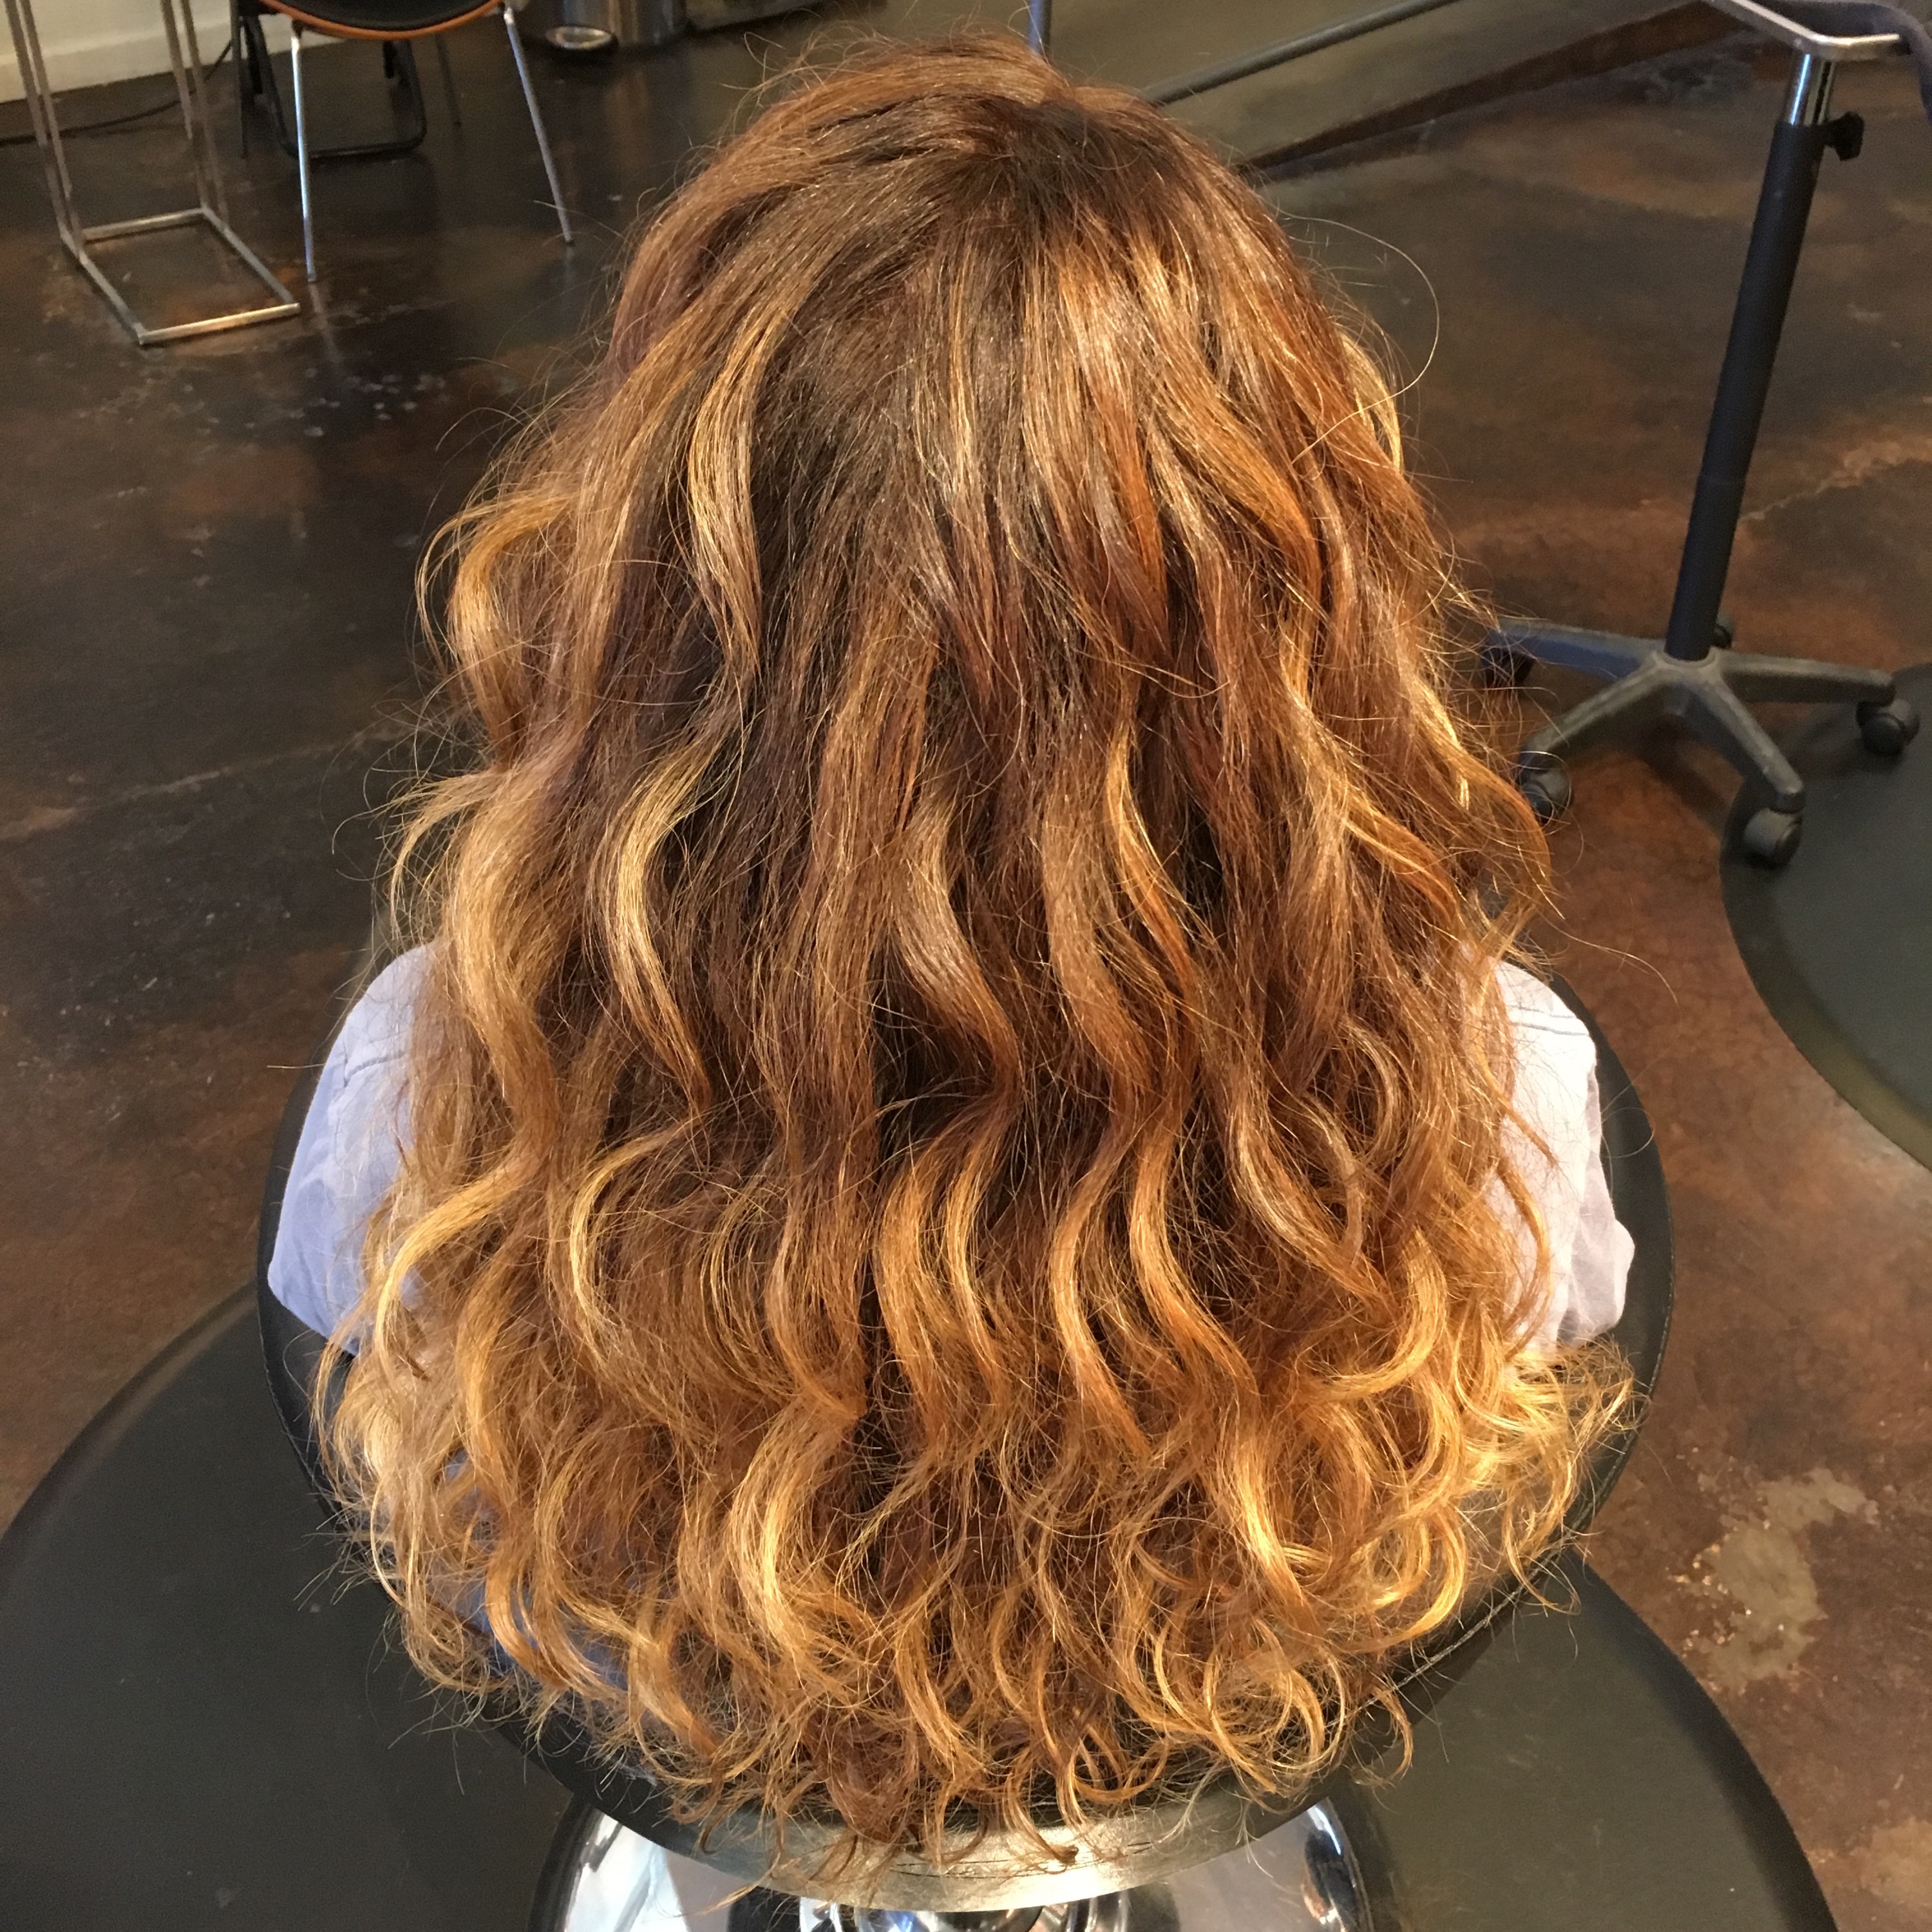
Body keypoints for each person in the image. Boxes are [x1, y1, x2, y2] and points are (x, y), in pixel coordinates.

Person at [269, 33, 1632, 1870]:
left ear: (646, 591)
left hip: (699, 1768)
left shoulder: (431, 1106)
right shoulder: (1494, 1100)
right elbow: (1553, 1354)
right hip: (1218, 1744)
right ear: (1299, 625)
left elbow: (376, 1398)